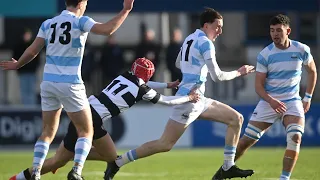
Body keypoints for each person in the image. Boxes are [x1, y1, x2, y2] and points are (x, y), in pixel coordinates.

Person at [104, 8, 255, 180]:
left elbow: (178, 62)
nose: (220, 31)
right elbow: (218, 76)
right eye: (217, 26)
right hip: (189, 101)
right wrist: (240, 72)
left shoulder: (190, 38)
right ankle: (118, 162)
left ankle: (228, 166)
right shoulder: (206, 43)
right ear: (206, 25)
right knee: (165, 144)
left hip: (198, 98)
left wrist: (190, 74)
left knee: (236, 119)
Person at [0, 0, 135, 179]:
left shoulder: (48, 23)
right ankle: (76, 171)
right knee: (86, 131)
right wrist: (125, 10)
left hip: (48, 83)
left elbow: (33, 51)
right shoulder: (80, 21)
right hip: (71, 83)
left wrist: (18, 64)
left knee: (47, 132)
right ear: (81, 4)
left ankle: (36, 171)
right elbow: (107, 30)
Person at [9, 58, 200, 180]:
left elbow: (145, 83)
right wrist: (189, 98)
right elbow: (166, 101)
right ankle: (70, 169)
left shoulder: (125, 76)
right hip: (92, 119)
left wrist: (168, 84)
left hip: (84, 111)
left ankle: (20, 177)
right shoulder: (142, 90)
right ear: (148, 76)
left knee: (66, 160)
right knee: (102, 158)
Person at [213, 14, 317, 180]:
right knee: (245, 141)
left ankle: (284, 178)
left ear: (288, 31)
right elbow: (258, 86)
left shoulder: (301, 50)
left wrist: (308, 97)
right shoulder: (265, 54)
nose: (275, 34)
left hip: (292, 101)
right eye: (272, 30)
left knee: (295, 137)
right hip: (269, 101)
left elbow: (312, 71)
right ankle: (223, 172)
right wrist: (271, 101)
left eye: (278, 30)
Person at [13, 29, 41, 105]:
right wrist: (18, 69)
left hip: (32, 72)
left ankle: (31, 107)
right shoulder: (18, 46)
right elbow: (15, 58)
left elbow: (37, 59)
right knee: (24, 90)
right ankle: (25, 107)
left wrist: (35, 68)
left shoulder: (34, 45)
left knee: (31, 90)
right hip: (23, 72)